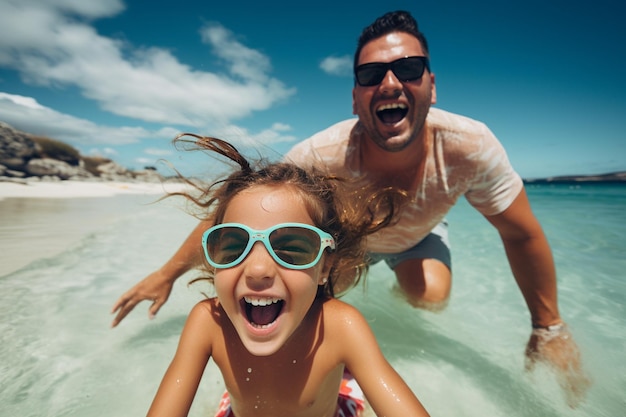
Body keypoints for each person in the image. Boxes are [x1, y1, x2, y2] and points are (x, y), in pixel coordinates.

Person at [114, 10, 589, 406]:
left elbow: (521, 233)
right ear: (356, 95)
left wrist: (548, 326)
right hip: (339, 241)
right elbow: (240, 219)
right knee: (298, 299)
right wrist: (168, 273)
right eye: (370, 75)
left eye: (408, 68)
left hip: (415, 235)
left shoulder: (470, 146)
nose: (389, 83)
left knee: (430, 297)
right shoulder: (320, 155)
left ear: (431, 84)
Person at [145, 133, 429, 417]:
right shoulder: (208, 323)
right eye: (234, 246)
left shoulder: (341, 326)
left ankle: (345, 372)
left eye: (292, 249)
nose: (257, 270)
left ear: (325, 267)